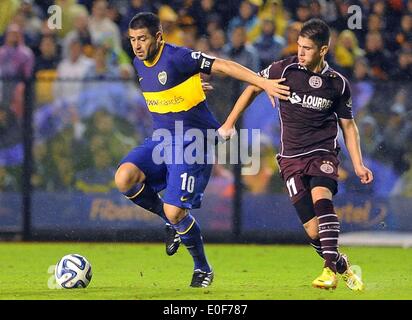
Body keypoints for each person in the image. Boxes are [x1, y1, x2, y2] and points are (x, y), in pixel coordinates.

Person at [115, 12, 289, 288]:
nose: (137, 45)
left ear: (158, 37)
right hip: (162, 140)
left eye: (143, 39)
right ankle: (170, 222)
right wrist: (190, 87)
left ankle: (203, 268)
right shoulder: (138, 62)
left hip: (194, 142)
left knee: (176, 213)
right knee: (124, 177)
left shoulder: (178, 56)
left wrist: (262, 81)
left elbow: (224, 65)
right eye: (133, 39)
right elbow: (168, 87)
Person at [219, 19, 373, 290]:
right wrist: (230, 122)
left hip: (323, 152)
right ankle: (340, 262)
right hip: (291, 159)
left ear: (323, 50)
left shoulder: (338, 84)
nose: (301, 52)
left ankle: (328, 271)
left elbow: (348, 126)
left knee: (321, 195)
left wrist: (358, 164)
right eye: (299, 46)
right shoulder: (285, 69)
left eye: (308, 48)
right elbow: (253, 85)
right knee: (314, 232)